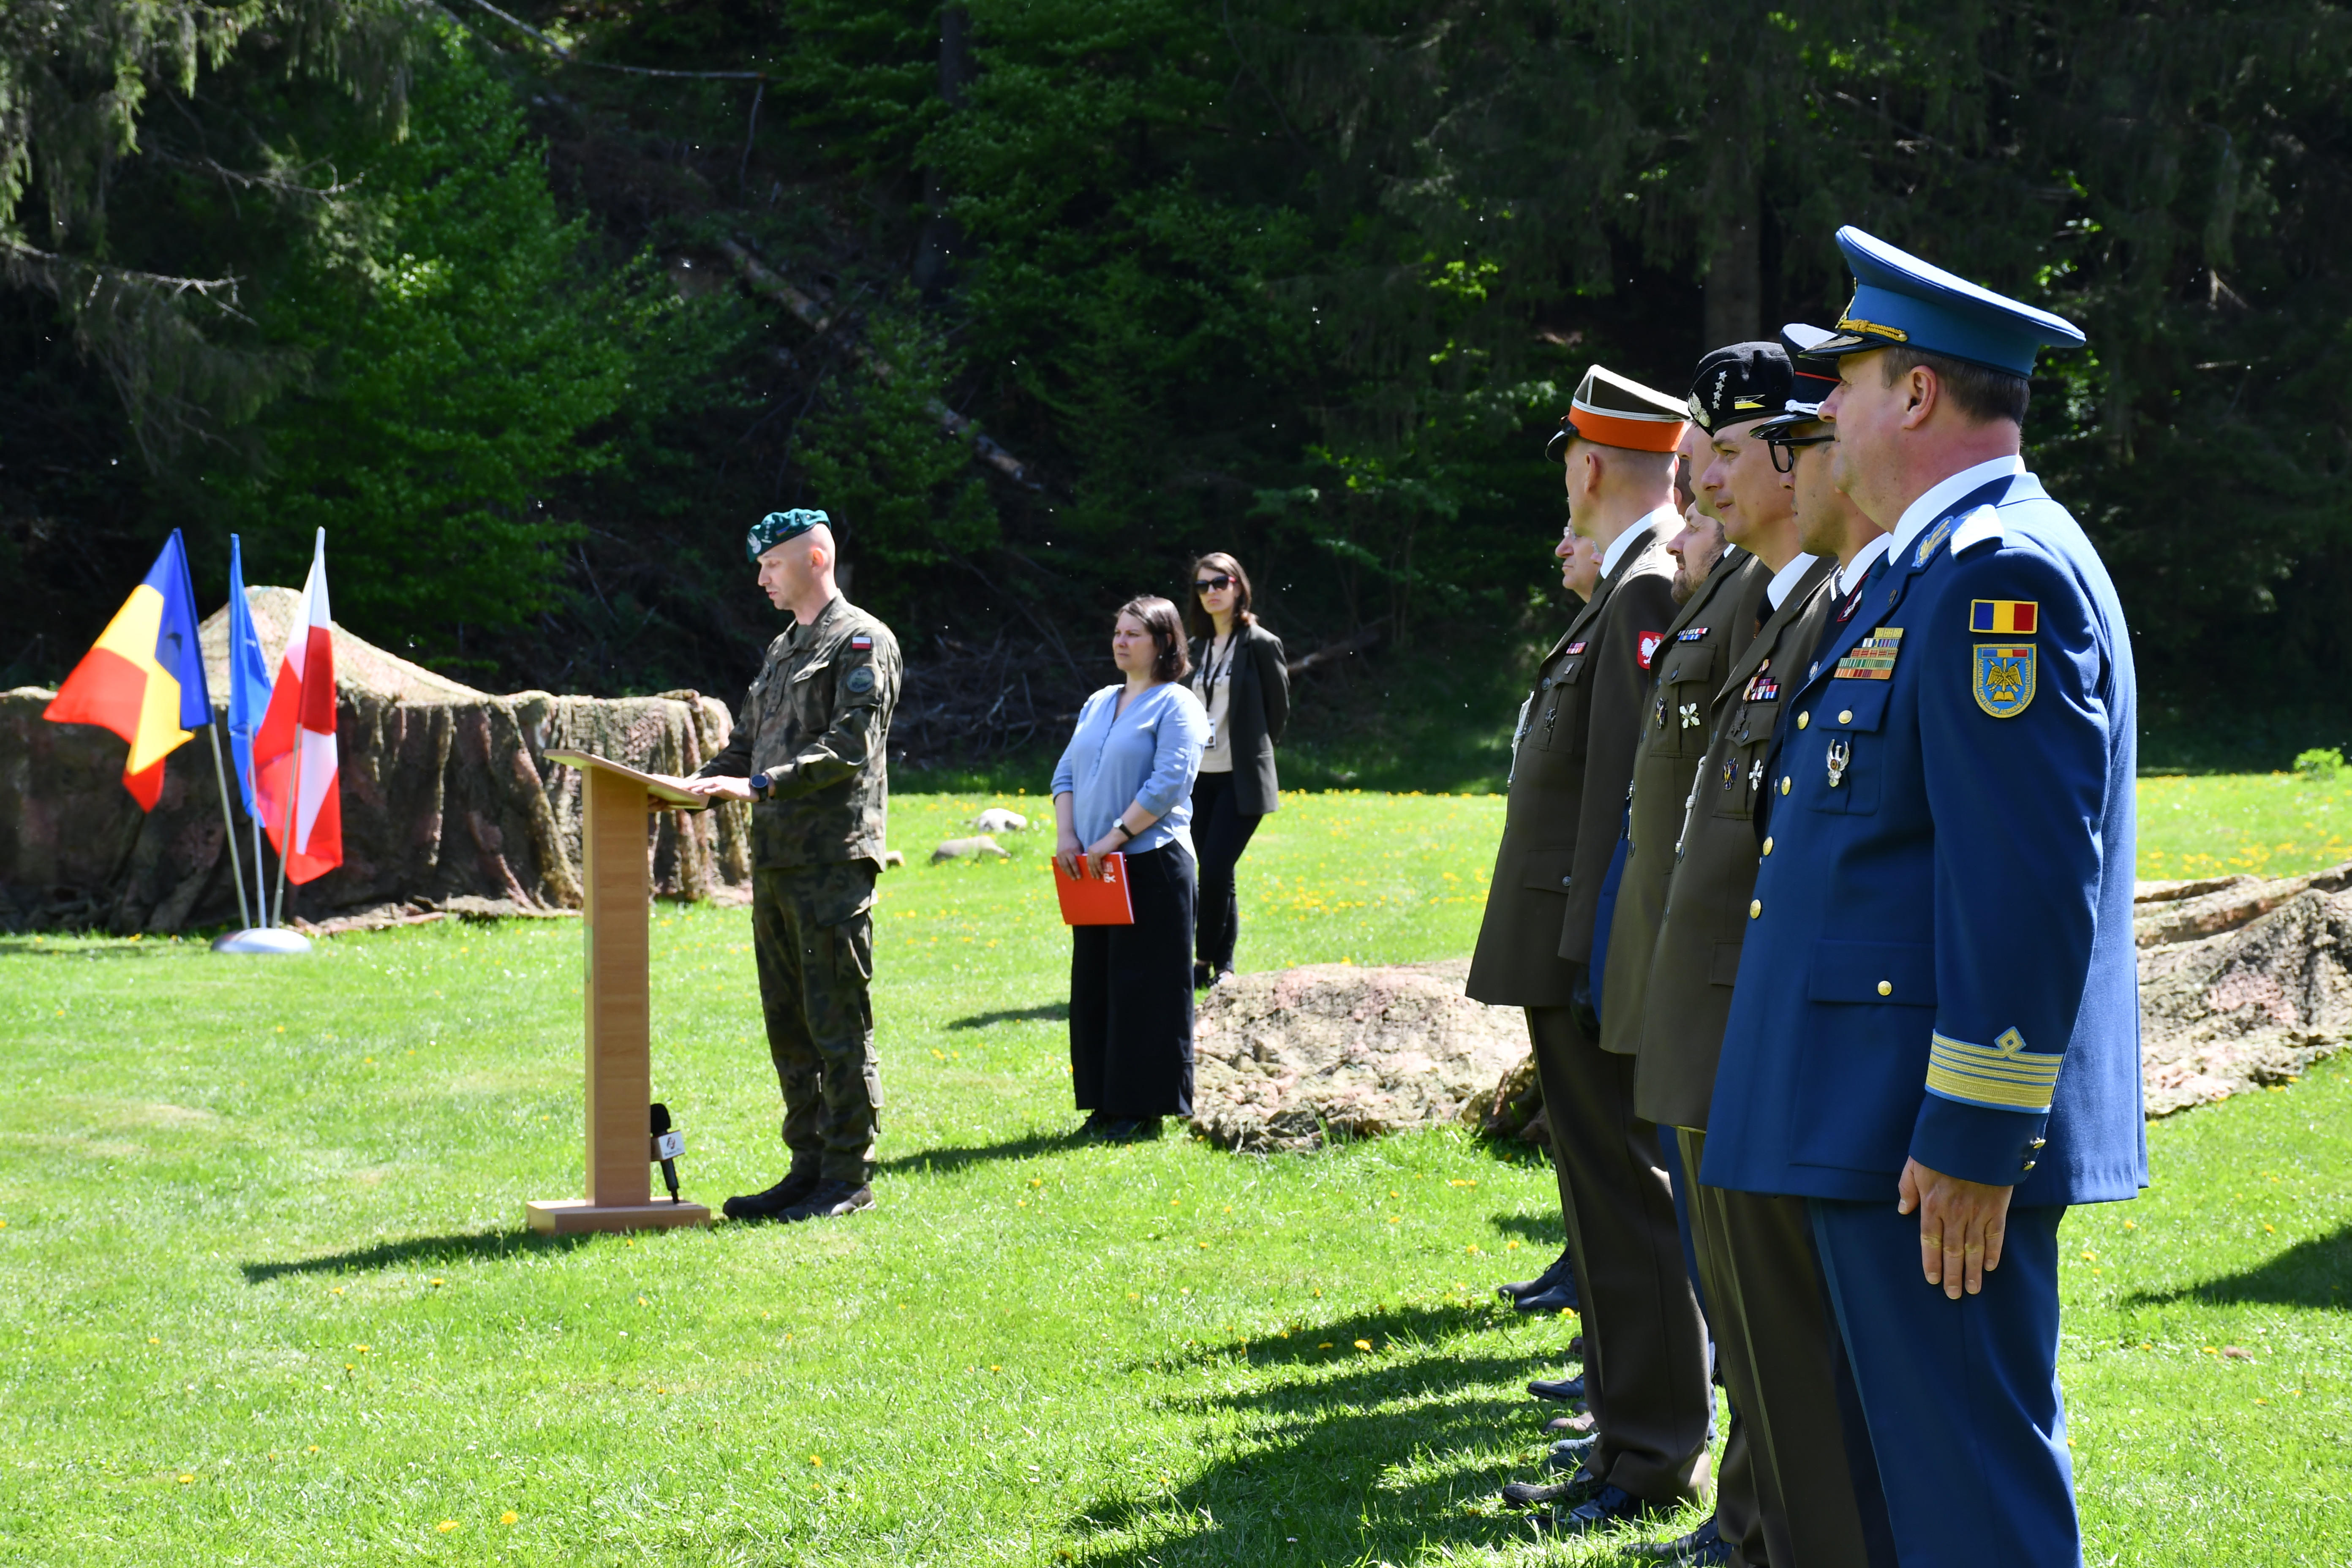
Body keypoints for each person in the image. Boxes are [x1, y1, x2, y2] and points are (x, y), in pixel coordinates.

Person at [1702, 228, 2142, 1568]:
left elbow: (2024, 885)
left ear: (1915, 393)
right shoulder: (1922, 565)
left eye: (1845, 381)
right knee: (1896, 1510)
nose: (1821, 412)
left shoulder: (2001, 574)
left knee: (1968, 1511)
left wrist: (1974, 1134)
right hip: (1866, 1125)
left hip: (1924, 1147)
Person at [1628, 329, 1887, 1568]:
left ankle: (1776, 1537)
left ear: (1796, 458)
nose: (1703, 478)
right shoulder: (1779, 605)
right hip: (1715, 1019)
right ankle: (1755, 1531)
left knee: (1789, 1347)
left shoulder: (1826, 609)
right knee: (1751, 1330)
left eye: (1730, 450)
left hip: (1760, 1028)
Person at [1465, 365, 1709, 1536]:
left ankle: (1651, 1452)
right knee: (1599, 1203)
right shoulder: (1623, 584)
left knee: (1626, 1203)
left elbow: (1626, 795)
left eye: (1569, 458)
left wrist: (1588, 955)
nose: (1565, 477)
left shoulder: (1647, 583)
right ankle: (1621, 1433)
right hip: (1570, 945)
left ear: (1593, 463)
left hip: (1588, 951)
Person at [683, 510, 902, 1225]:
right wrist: (691, 785)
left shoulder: (861, 641)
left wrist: (757, 786)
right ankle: (806, 1166)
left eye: (771, 564)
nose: (760, 580)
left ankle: (847, 1175)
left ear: (815, 558)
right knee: (790, 1026)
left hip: (831, 862)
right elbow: (746, 743)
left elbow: (849, 747)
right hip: (777, 862)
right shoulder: (784, 649)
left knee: (836, 1020)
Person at [1053, 596, 1210, 1142]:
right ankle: (1104, 1104)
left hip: (1152, 863)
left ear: (1164, 643)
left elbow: (1169, 784)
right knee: (1097, 986)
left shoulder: (1177, 705)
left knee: (1147, 989)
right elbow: (1065, 773)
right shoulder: (1099, 701)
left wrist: (1115, 837)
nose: (1121, 642)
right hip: (1094, 867)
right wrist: (1069, 836)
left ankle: (1142, 1111)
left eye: (1134, 634)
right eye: (1118, 632)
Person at [1184, 553, 1289, 989]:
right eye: (1203, 585)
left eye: (1220, 582)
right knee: (1215, 873)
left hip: (1241, 778)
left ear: (1238, 586)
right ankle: (1221, 966)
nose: (1211, 591)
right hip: (1198, 778)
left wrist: (1253, 751)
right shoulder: (1194, 648)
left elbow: (1278, 709)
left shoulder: (1260, 643)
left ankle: (1203, 959)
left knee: (1214, 868)